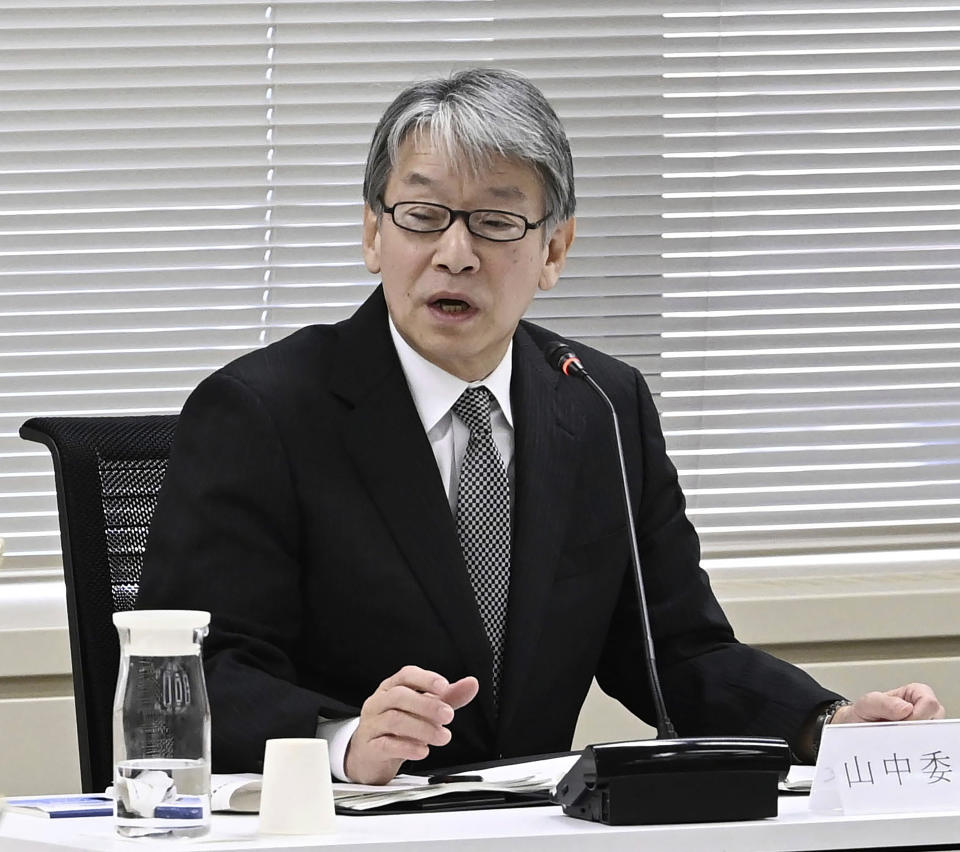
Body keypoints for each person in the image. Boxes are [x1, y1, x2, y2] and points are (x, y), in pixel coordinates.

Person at [138, 67, 944, 786]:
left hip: (534, 832)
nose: (454, 253)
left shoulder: (597, 403)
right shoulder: (263, 412)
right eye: (421, 215)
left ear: (555, 248)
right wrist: (346, 740)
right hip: (339, 830)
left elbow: (676, 651)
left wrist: (824, 726)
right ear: (373, 233)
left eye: (495, 223)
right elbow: (196, 672)